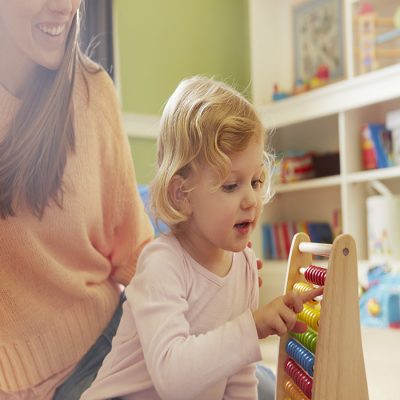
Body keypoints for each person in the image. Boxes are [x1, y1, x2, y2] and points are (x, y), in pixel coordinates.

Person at [81, 76, 323, 400]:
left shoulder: (244, 265)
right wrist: (252, 328)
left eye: (255, 181)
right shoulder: (161, 265)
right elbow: (173, 378)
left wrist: (249, 334)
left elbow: (238, 374)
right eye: (230, 186)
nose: (251, 199)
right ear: (182, 195)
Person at [0, 1, 154, 399]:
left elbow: (134, 248)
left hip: (112, 338)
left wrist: (203, 284)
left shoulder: (92, 91)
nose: (65, 6)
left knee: (252, 383)